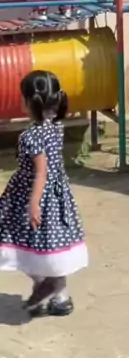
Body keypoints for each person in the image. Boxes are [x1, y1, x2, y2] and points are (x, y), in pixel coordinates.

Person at [0, 70, 88, 316]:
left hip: (31, 195)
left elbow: (40, 173)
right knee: (49, 246)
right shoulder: (56, 127)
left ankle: (44, 286)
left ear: (28, 101)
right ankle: (60, 297)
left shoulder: (31, 136)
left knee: (15, 240)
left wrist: (34, 203)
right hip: (56, 197)